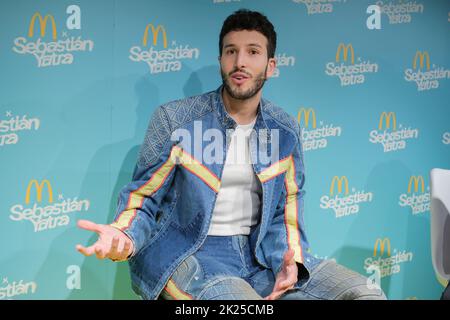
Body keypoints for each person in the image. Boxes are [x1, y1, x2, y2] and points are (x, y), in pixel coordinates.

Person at [76, 9, 386, 300]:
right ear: (221, 59)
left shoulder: (285, 130)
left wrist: (292, 260)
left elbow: (288, 207)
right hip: (190, 253)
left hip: (259, 255)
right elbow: (144, 197)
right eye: (231, 51)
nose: (240, 61)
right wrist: (124, 236)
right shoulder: (175, 120)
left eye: (253, 51)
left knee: (365, 293)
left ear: (271, 65)